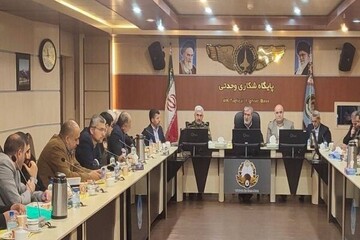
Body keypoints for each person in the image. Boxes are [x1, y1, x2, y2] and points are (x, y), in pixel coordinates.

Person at [37, 120, 101, 187]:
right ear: (67, 139)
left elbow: (76, 167)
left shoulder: (68, 146)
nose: (78, 143)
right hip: (47, 190)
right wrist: (89, 176)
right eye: (76, 139)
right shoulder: (56, 147)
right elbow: (66, 176)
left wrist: (93, 172)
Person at [0, 133, 51, 206]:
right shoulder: (4, 165)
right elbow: (16, 203)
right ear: (19, 153)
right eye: (25, 153)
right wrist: (32, 180)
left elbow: (23, 191)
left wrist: (42, 195)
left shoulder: (14, 165)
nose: (26, 157)